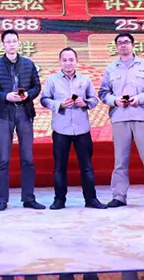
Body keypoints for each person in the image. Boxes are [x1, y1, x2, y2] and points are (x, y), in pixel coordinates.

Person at [99, 33, 144, 208]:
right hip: (120, 117)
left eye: (126, 42)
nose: (123, 45)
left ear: (133, 45)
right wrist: (115, 100)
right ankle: (119, 196)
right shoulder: (111, 68)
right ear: (116, 47)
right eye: (120, 43)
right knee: (120, 161)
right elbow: (103, 93)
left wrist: (139, 98)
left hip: (142, 116)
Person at [40, 47, 106, 210]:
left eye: (71, 60)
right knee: (59, 168)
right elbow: (44, 99)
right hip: (60, 130)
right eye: (65, 60)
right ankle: (59, 200)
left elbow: (94, 99)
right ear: (59, 62)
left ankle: (91, 199)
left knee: (87, 167)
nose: (68, 63)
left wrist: (85, 103)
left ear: (76, 61)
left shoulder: (85, 79)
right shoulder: (52, 80)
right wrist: (59, 104)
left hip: (82, 130)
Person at [0, 30, 45, 211]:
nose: (12, 44)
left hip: (25, 113)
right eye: (8, 42)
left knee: (28, 158)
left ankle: (28, 198)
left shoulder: (28, 64)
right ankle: (2, 200)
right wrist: (6, 96)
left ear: (19, 43)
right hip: (4, 114)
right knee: (3, 159)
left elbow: (37, 86)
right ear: (3, 44)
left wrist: (28, 95)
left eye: (14, 41)